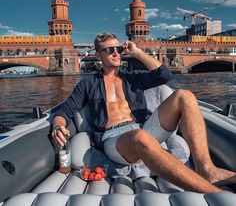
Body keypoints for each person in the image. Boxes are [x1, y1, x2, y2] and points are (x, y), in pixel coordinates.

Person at [52, 32, 236, 193]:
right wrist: (58, 125)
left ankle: (206, 169)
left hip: (144, 129)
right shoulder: (87, 84)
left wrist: (137, 52)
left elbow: (165, 75)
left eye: (118, 49)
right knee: (139, 136)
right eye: (110, 50)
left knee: (184, 95)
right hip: (114, 139)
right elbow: (65, 110)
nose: (116, 53)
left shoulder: (133, 77)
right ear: (98, 55)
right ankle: (214, 193)